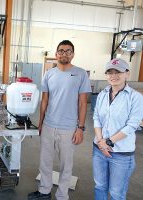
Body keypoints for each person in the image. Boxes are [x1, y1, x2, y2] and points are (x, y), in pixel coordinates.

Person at [28, 40, 92, 200]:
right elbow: (44, 101)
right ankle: (44, 191)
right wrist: (41, 123)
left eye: (68, 51)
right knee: (45, 162)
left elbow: (83, 102)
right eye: (61, 51)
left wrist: (80, 128)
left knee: (66, 165)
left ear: (73, 54)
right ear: (56, 54)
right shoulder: (49, 74)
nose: (64, 53)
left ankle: (62, 195)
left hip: (69, 128)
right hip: (49, 125)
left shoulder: (81, 73)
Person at [92, 58, 143, 200]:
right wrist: (101, 142)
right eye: (109, 72)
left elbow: (132, 125)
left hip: (120, 154)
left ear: (127, 73)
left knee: (116, 193)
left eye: (118, 72)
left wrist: (107, 142)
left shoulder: (135, 98)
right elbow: (96, 117)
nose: (113, 76)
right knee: (100, 186)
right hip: (99, 150)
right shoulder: (102, 94)